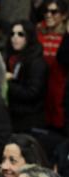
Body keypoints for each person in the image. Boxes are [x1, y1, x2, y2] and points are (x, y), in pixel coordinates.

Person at [6, 20, 48, 133]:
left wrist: (7, 83)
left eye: (20, 34)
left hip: (29, 120)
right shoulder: (12, 58)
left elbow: (32, 93)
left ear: (29, 37)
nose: (14, 37)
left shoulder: (37, 62)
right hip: (14, 115)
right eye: (12, 34)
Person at [37, 0, 68, 132]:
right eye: (46, 11)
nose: (48, 15)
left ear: (64, 15)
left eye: (54, 12)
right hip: (39, 87)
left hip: (59, 87)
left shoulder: (66, 37)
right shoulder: (38, 32)